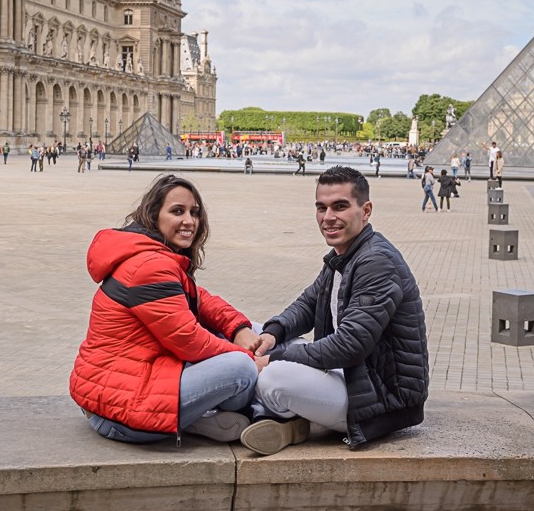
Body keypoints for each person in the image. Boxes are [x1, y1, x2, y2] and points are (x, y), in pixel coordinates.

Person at [245, 166, 428, 455]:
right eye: (321, 207)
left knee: (273, 377)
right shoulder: (346, 254)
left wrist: (274, 357)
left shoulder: (376, 262)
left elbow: (349, 346)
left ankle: (272, 416)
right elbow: (307, 304)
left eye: (340, 207)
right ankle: (284, 421)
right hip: (354, 377)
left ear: (365, 210)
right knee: (252, 332)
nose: (328, 217)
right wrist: (273, 333)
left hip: (379, 398)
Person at [70, 175, 260, 444]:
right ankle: (262, 411)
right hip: (121, 412)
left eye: (194, 212)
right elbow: (190, 342)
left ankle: (193, 420)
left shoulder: (150, 253)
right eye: (177, 211)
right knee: (241, 369)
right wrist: (249, 356)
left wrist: (239, 327)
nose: (189, 221)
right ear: (153, 215)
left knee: (255, 330)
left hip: (124, 387)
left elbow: (200, 299)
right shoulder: (149, 266)